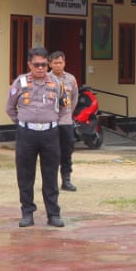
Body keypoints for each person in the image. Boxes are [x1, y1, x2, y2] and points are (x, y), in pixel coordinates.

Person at [6, 47, 65, 228]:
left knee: (50, 175)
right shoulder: (20, 82)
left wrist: (51, 121)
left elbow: (64, 107)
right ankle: (27, 213)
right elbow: (10, 108)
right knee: (25, 175)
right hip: (27, 134)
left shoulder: (55, 82)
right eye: (36, 65)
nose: (41, 68)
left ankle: (53, 214)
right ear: (29, 65)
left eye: (43, 64)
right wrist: (24, 122)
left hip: (50, 134)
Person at [50, 51, 78, 192]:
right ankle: (51, 181)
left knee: (67, 151)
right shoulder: (46, 79)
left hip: (66, 121)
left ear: (64, 63)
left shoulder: (71, 79)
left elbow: (74, 98)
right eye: (55, 63)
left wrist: (68, 113)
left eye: (60, 62)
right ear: (50, 64)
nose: (58, 65)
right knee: (51, 152)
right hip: (50, 121)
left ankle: (66, 180)